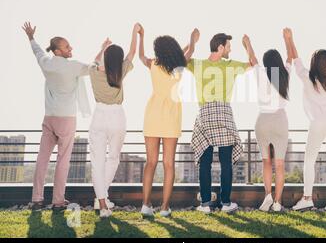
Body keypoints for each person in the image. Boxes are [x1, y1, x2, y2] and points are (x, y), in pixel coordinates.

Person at [22, 22, 91, 211]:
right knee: (63, 160)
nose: (71, 49)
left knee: (42, 159)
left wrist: (31, 37)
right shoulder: (73, 66)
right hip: (66, 119)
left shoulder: (46, 63)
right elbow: (93, 68)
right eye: (67, 46)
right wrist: (103, 52)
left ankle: (36, 199)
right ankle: (58, 201)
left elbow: (37, 51)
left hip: (49, 118)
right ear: (58, 51)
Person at [187, 32, 257, 214]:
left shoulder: (198, 64)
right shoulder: (230, 66)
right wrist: (247, 44)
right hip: (223, 113)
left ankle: (205, 204)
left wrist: (192, 42)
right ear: (220, 47)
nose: (230, 50)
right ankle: (225, 203)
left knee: (205, 161)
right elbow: (254, 64)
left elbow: (181, 59)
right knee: (226, 162)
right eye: (228, 47)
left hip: (205, 114)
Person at [140, 28, 199, 218]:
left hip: (153, 114)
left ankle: (146, 204)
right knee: (169, 164)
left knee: (150, 162)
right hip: (171, 116)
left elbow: (141, 55)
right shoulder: (179, 65)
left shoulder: (152, 64)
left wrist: (141, 35)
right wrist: (192, 39)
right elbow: (188, 52)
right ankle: (165, 207)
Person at [288, 25, 326, 212]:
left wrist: (289, 38)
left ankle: (307, 198)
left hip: (318, 123)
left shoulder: (307, 77)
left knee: (309, 161)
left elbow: (295, 57)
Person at [88, 23, 140, 218]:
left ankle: (102, 202)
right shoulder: (120, 71)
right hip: (117, 117)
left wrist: (102, 48)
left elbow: (93, 61)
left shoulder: (94, 71)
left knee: (97, 162)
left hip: (99, 116)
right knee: (113, 159)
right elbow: (132, 52)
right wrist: (134, 32)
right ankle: (102, 198)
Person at [250, 31, 292, 212]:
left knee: (266, 162)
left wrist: (247, 42)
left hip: (263, 120)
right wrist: (287, 39)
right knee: (280, 165)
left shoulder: (260, 73)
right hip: (280, 120)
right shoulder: (285, 73)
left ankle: (267, 196)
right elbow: (290, 56)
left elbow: (252, 58)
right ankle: (277, 202)